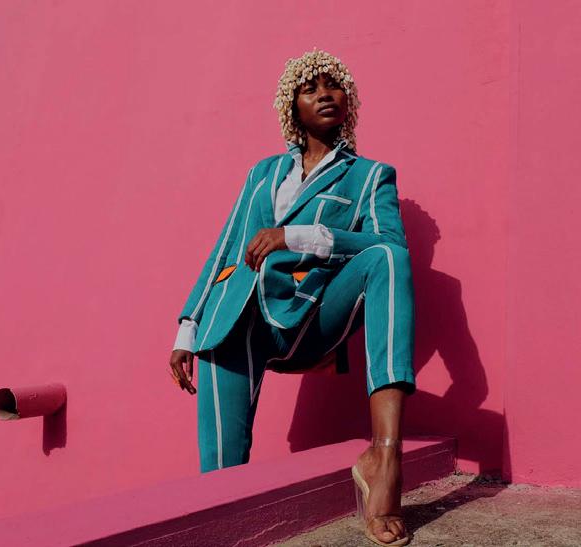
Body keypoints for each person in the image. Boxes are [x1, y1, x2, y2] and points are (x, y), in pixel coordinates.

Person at [168, 48, 415, 546]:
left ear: (348, 101)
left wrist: (299, 237)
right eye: (310, 88)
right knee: (219, 483)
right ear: (292, 108)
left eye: (333, 85)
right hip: (234, 316)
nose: (325, 94)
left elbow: (388, 243)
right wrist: (187, 328)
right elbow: (226, 247)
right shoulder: (262, 174)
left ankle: (385, 456)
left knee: (389, 258)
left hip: (309, 315)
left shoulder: (370, 175)